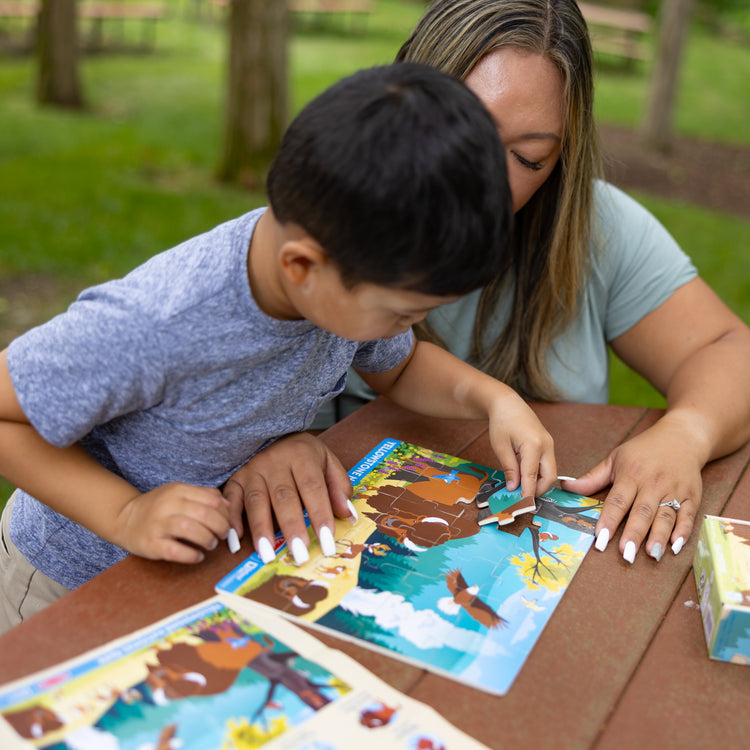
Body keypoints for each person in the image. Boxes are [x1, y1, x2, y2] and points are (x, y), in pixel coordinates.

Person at [0, 62, 558, 633]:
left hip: (189, 575)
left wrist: (495, 401)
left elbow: (404, 364)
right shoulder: (158, 323)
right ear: (302, 266)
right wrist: (124, 514)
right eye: (401, 311)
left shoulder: (339, 273)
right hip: (65, 585)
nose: (411, 325)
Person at [230, 0, 750, 567]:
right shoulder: (329, 227)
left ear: (563, 157)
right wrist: (270, 444)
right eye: (466, 137)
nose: (484, 183)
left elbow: (728, 351)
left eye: (529, 158)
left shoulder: (598, 227)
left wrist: (688, 432)